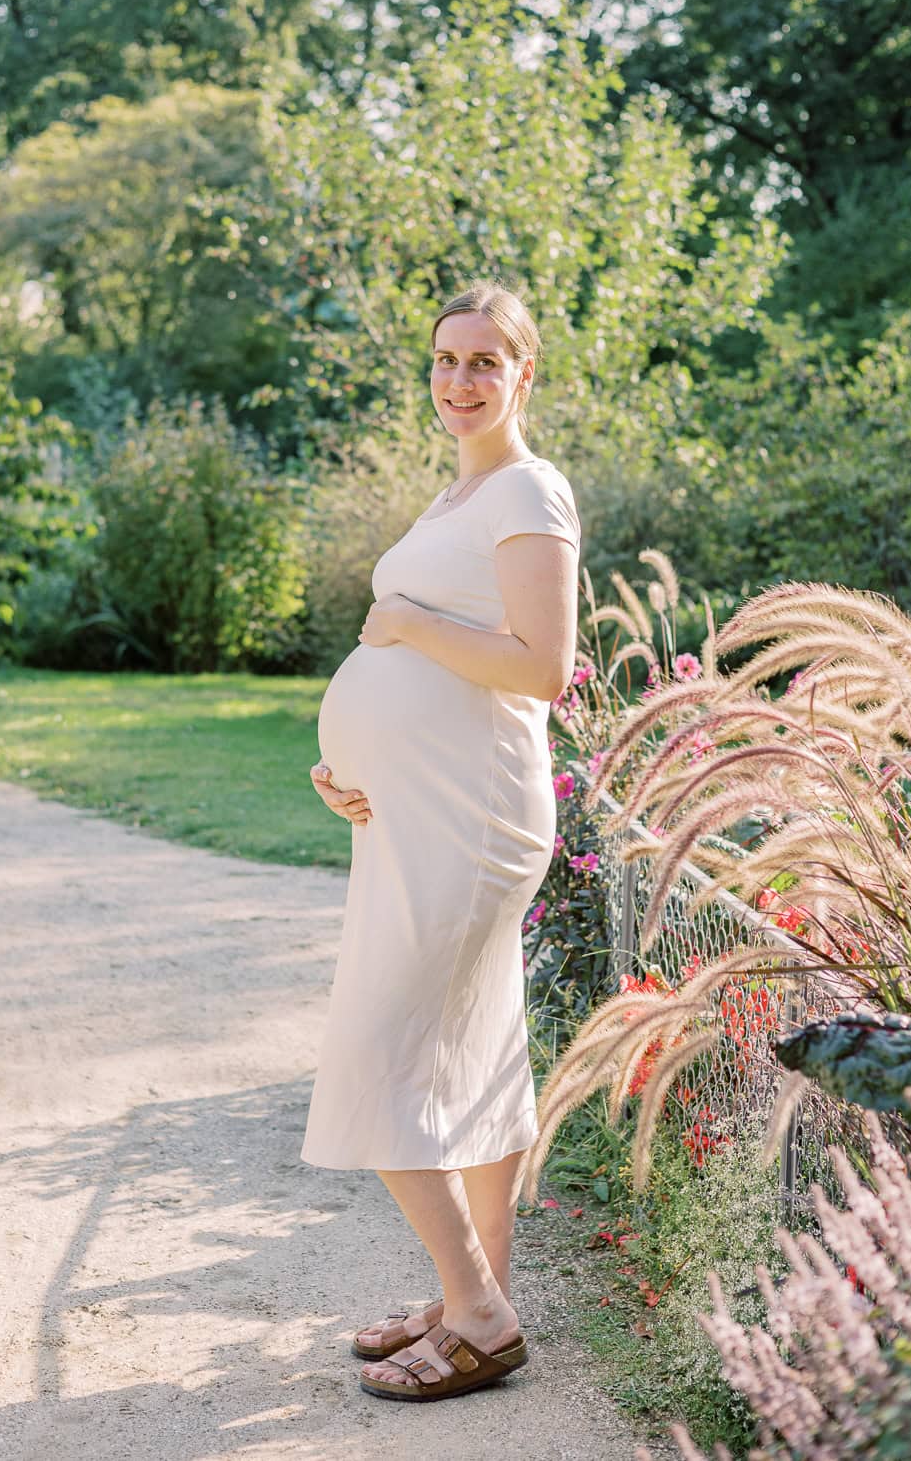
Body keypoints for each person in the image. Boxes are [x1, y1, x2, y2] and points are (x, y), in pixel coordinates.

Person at [303, 279, 581, 1403]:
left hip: (473, 817)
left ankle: (477, 1313)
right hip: (413, 810)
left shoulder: (530, 490)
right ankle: (476, 1297)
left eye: (483, 362)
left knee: (378, 1047)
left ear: (526, 375)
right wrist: (347, 766)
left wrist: (409, 625)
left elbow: (542, 667)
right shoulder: (457, 494)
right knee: (472, 1046)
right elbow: (420, 683)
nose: (459, 381)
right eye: (444, 361)